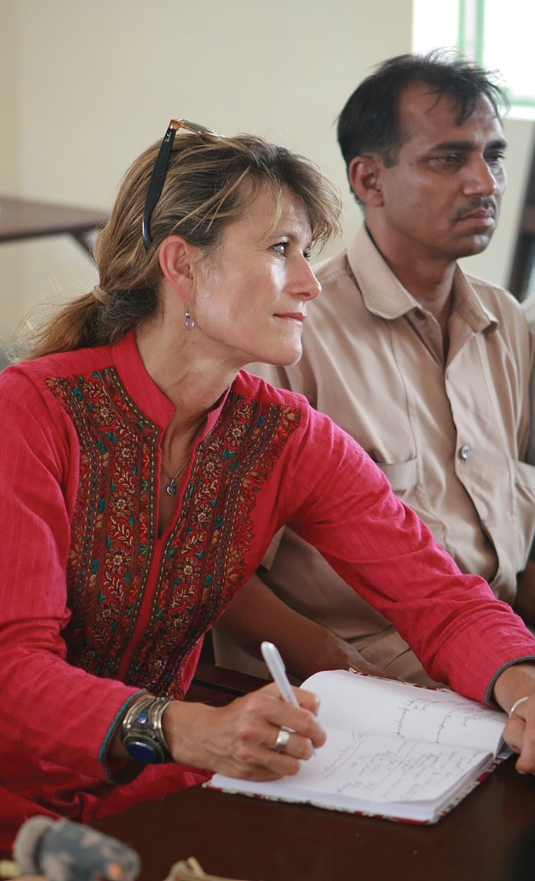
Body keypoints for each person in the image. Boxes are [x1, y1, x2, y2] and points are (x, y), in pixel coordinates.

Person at [0, 120, 535, 853]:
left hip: (157, 792)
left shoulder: (286, 436)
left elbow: (438, 596)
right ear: (182, 266)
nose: (312, 282)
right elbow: (5, 670)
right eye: (281, 249)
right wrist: (181, 726)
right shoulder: (35, 408)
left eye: (309, 253)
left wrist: (522, 680)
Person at [213, 51, 535, 686]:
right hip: (366, 677)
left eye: (492, 155)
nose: (485, 183)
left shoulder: (507, 325)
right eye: (449, 158)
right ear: (369, 181)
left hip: (491, 653)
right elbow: (218, 577)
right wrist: (353, 677)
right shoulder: (290, 337)